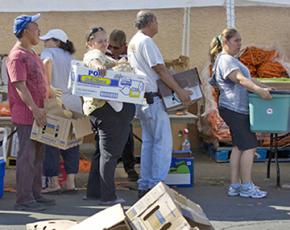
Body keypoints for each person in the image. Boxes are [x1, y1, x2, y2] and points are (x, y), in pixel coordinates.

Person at [127, 11, 192, 198]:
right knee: (162, 143)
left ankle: (145, 182)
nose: (158, 24)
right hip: (153, 98)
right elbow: (160, 68)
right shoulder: (146, 41)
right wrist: (179, 90)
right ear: (151, 22)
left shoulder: (134, 41)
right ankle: (157, 184)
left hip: (143, 98)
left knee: (149, 142)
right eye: (156, 21)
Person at [209, 28, 272, 198]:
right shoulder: (226, 60)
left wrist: (262, 86)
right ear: (225, 42)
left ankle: (235, 185)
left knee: (239, 146)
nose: (240, 44)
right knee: (250, 146)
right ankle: (246, 186)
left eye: (240, 40)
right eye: (236, 40)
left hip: (233, 108)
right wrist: (260, 91)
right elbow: (241, 80)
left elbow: (248, 79)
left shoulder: (228, 59)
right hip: (234, 108)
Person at [6, 13, 55, 211]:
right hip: (28, 114)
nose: (39, 32)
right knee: (27, 156)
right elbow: (20, 86)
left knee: (37, 155)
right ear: (26, 31)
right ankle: (24, 199)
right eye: (36, 28)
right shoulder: (17, 56)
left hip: (39, 112)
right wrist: (35, 109)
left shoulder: (32, 53)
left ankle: (35, 194)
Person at [83, 27, 135, 205]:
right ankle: (108, 196)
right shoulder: (93, 55)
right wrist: (99, 67)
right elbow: (94, 62)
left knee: (102, 153)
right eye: (100, 41)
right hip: (105, 109)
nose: (104, 43)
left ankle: (94, 192)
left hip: (100, 110)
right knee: (109, 155)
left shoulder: (104, 55)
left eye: (106, 40)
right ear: (90, 43)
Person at [39, 29, 82, 194]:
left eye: (48, 39)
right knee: (72, 143)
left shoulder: (49, 52)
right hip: (74, 102)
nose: (44, 42)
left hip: (56, 100)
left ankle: (53, 183)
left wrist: (48, 87)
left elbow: (45, 63)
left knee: (51, 142)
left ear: (57, 41)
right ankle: (70, 182)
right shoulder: (71, 57)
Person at [107, 29, 138, 182]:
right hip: (107, 103)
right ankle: (107, 172)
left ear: (124, 46)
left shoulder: (130, 58)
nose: (112, 50)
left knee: (127, 136)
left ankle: (129, 167)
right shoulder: (104, 56)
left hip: (125, 102)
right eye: (110, 47)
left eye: (116, 47)